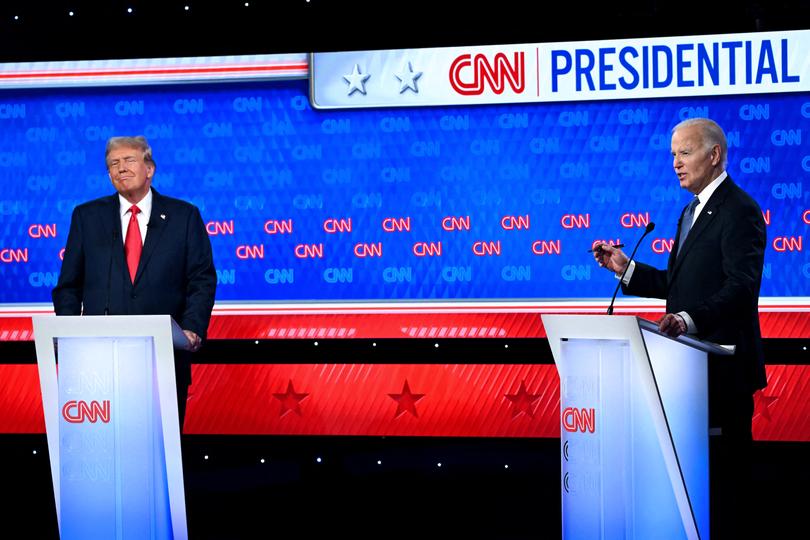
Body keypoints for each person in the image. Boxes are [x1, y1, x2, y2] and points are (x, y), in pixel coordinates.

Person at [593, 117, 766, 536]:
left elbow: (741, 289)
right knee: (694, 488)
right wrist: (626, 269)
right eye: (673, 154)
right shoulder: (690, 210)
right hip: (686, 375)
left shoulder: (739, 210)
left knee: (726, 490)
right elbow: (679, 285)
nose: (675, 163)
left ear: (714, 155)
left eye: (684, 153)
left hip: (721, 373)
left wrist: (688, 321)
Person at [52, 135, 217, 428]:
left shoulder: (184, 216)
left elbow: (201, 280)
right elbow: (68, 285)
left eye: (129, 160)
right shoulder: (86, 217)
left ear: (149, 169)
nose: (120, 169)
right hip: (99, 359)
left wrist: (191, 327)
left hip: (163, 356)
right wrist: (69, 334)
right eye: (113, 164)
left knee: (161, 447)